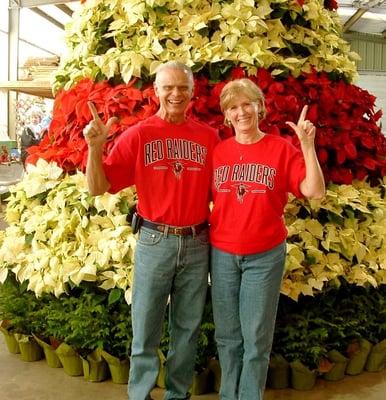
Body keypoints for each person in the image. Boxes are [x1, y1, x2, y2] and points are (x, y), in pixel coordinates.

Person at [83, 61, 218, 400]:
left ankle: (177, 394)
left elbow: (225, 191)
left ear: (192, 92)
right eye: (168, 87)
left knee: (186, 330)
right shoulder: (140, 134)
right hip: (155, 240)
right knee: (145, 327)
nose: (175, 94)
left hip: (197, 241)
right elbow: (98, 188)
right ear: (156, 91)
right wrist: (95, 147)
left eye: (182, 87)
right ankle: (140, 394)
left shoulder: (209, 137)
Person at [209, 78, 325, 400]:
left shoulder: (280, 149)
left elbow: (315, 191)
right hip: (222, 254)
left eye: (247, 104)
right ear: (226, 115)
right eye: (234, 107)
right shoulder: (219, 153)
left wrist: (306, 145)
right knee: (228, 337)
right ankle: (228, 396)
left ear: (259, 107)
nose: (242, 112)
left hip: (264, 256)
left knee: (256, 339)